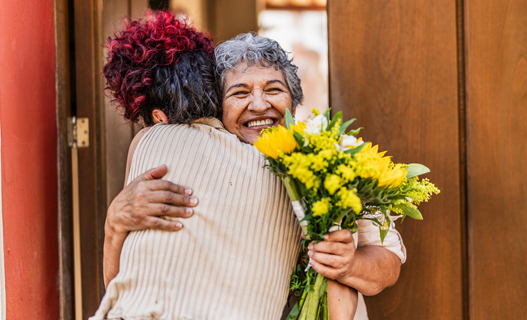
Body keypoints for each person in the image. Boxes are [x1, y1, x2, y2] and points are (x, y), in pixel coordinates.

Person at [97, 12, 405, 320]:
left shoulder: (330, 159)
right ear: (217, 105)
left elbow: (388, 263)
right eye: (240, 93)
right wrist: (115, 224)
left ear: (294, 103)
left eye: (273, 90)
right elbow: (120, 284)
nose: (259, 105)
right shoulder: (184, 162)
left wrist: (349, 264)